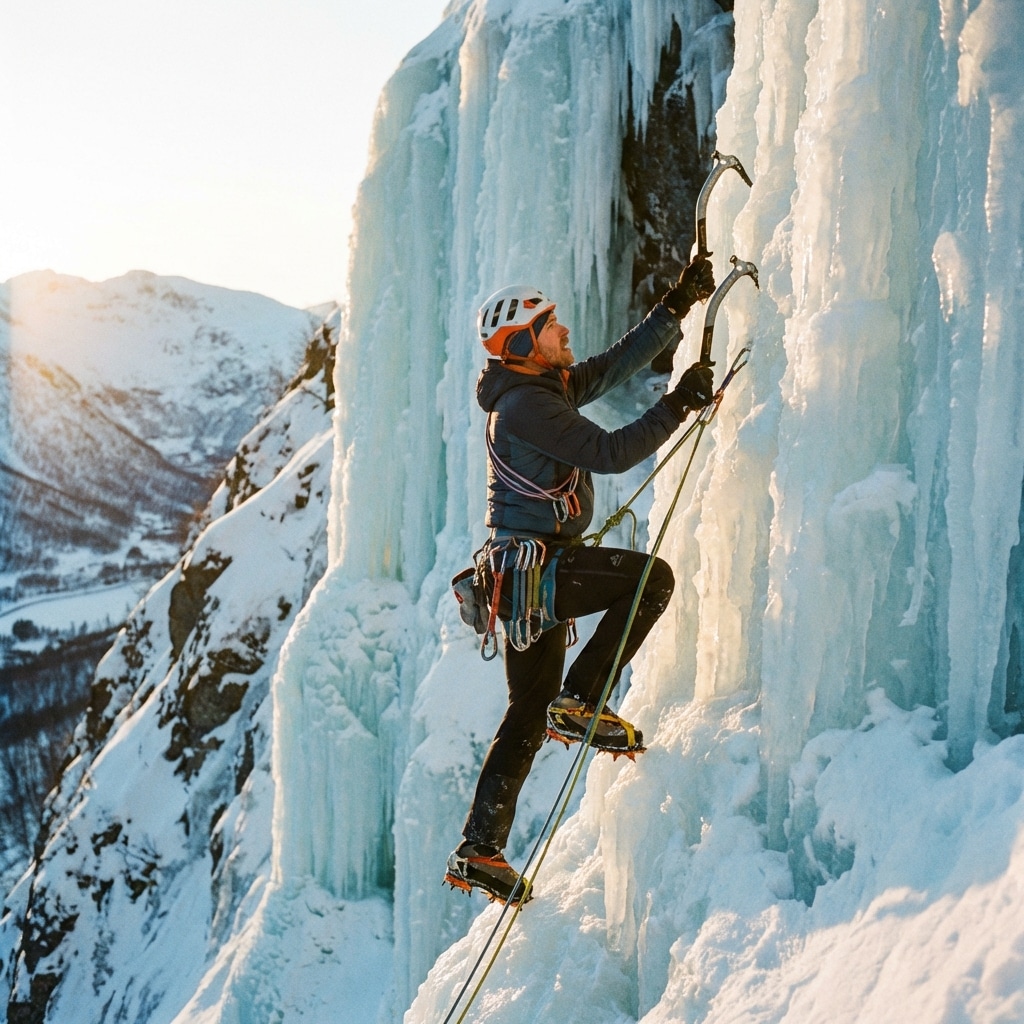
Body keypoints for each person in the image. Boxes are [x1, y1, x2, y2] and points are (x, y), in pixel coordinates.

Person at [444, 256, 717, 905]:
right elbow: (610, 453)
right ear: (522, 344)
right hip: (537, 573)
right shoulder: (526, 407)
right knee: (651, 580)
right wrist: (681, 401)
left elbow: (614, 366)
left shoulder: (542, 392)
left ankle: (479, 849)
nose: (562, 330)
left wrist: (678, 303)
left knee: (526, 712)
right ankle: (584, 697)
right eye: (550, 324)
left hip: (520, 582)